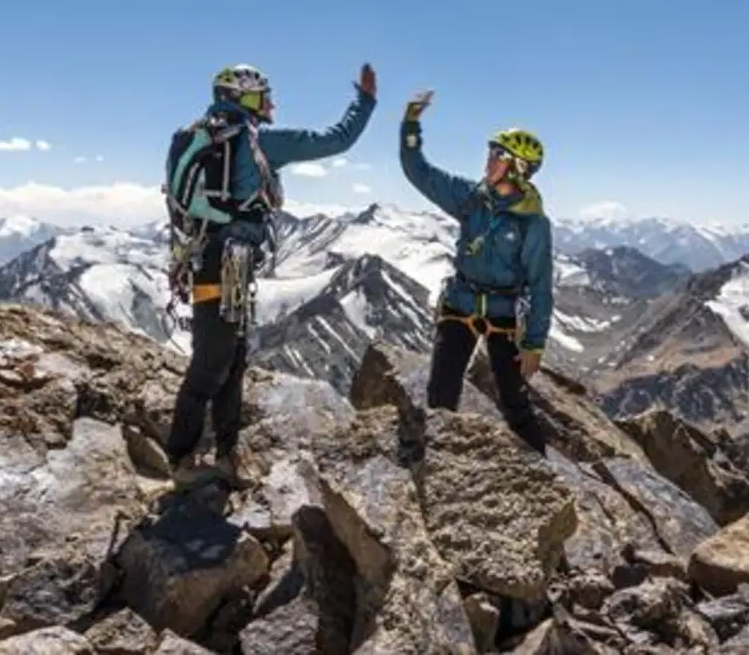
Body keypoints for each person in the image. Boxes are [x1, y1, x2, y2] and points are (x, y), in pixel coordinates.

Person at [163, 62, 376, 486]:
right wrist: (365, 102)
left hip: (210, 258)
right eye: (264, 96)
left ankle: (226, 455)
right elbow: (336, 139)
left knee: (231, 357)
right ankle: (182, 458)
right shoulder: (257, 142)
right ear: (243, 96)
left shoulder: (203, 136)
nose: (272, 104)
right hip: (229, 261)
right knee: (214, 362)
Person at [398, 88, 551, 454]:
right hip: (460, 304)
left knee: (515, 404)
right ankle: (435, 462)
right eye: (491, 152)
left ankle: (542, 467)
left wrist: (535, 343)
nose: (489, 160)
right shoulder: (471, 197)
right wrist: (411, 124)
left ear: (518, 168)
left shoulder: (532, 222)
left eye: (498, 155)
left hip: (503, 315)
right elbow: (419, 172)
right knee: (440, 393)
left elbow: (541, 284)